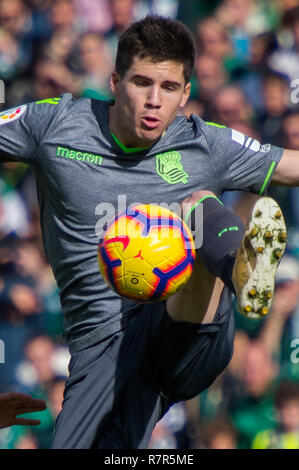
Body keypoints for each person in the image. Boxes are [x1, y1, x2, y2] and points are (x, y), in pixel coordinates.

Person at [0, 15, 298, 449]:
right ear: (116, 81)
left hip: (187, 321)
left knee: (195, 205)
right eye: (142, 83)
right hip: (100, 348)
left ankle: (243, 266)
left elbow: (290, 164)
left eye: (170, 87)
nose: (154, 100)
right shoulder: (55, 124)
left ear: (186, 94)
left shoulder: (204, 143)